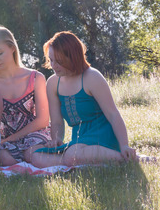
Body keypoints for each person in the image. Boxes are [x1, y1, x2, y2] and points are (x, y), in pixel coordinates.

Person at [31, 31, 137, 168]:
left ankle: (127, 159)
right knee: (36, 157)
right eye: (51, 60)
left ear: (73, 57)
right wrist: (56, 139)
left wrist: (124, 145)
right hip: (79, 142)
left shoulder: (92, 77)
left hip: (103, 136)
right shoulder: (52, 83)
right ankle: (88, 163)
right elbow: (57, 121)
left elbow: (113, 114)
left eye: (59, 61)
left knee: (71, 155)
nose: (54, 65)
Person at [0, 25, 50, 166]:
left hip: (33, 134)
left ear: (12, 48)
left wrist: (12, 139)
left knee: (34, 156)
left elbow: (43, 120)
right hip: (1, 139)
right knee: (6, 160)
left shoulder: (36, 77)